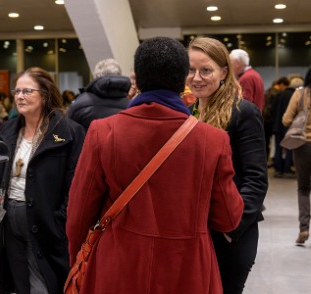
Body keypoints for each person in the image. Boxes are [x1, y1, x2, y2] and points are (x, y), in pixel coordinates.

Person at [67, 36, 244, 294]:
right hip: (187, 269)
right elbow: (228, 218)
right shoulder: (213, 140)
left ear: (136, 78)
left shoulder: (103, 132)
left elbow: (79, 214)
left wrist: (79, 257)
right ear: (183, 77)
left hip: (118, 266)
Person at [0, 67, 85, 293]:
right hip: (9, 223)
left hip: (47, 225)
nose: (20, 96)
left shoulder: (69, 131)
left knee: (44, 285)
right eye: (17, 91)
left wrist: (60, 220)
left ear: (44, 95)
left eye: (27, 91)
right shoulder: (10, 130)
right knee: (20, 284)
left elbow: (76, 182)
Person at [187, 36, 268, 294]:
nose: (196, 77)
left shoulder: (243, 112)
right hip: (195, 231)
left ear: (224, 72)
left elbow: (256, 178)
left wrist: (232, 228)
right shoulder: (187, 114)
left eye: (206, 70)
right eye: (191, 70)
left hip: (230, 233)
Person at [282, 68, 311, 245]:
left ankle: (304, 228)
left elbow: (286, 119)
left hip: (303, 145)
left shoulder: (300, 94)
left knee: (303, 188)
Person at [67, 58, 130, 131]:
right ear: (119, 76)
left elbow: (69, 134)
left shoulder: (79, 105)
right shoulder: (132, 105)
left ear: (96, 76)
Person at [272, 77, 304, 178]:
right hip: (290, 126)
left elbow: (272, 109)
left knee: (278, 148)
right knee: (290, 148)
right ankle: (287, 169)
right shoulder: (296, 96)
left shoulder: (278, 94)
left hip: (277, 126)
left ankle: (278, 169)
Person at [263, 77, 290, 163]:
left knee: (266, 143)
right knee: (275, 144)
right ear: (281, 84)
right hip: (272, 121)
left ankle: (266, 161)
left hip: (264, 119)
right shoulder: (278, 93)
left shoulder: (268, 91)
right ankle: (274, 161)